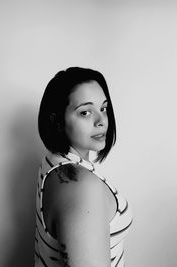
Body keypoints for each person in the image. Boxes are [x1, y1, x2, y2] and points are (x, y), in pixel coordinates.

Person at [34, 67, 132, 267]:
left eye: (103, 108)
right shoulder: (81, 186)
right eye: (85, 112)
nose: (101, 120)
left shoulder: (54, 160)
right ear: (58, 120)